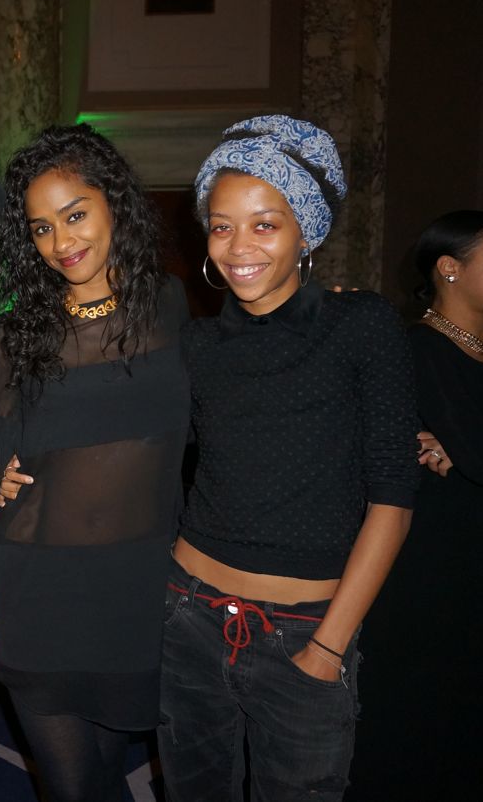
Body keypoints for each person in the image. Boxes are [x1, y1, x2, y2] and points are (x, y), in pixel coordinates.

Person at [157, 115, 420, 801]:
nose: (239, 246)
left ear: (306, 232)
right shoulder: (198, 346)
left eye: (265, 224)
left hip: (305, 629)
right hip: (187, 615)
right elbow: (145, 443)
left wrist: (329, 647)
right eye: (221, 226)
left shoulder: (360, 324)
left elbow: (393, 500)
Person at [0, 123, 190, 801]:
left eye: (75, 215)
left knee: (108, 777)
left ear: (114, 204)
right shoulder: (13, 337)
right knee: (73, 789)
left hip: (139, 590)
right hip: (39, 589)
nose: (62, 241)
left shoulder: (170, 306)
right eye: (42, 228)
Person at [350, 210, 483, 797]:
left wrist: (461, 446)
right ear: (449, 268)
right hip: (432, 574)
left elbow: (477, 454)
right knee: (420, 728)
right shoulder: (417, 347)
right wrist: (463, 449)